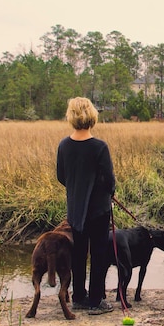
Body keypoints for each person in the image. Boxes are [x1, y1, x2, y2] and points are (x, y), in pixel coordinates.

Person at [57, 97, 115, 315]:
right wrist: (106, 192)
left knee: (79, 253)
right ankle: (96, 301)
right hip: (99, 209)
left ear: (71, 116)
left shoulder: (64, 145)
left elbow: (61, 176)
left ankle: (79, 297)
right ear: (92, 116)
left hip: (75, 209)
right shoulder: (100, 147)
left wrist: (77, 190)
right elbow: (109, 181)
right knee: (99, 254)